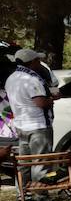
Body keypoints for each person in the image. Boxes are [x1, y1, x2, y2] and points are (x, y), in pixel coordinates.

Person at [4, 48, 55, 184]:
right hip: (38, 126)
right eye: (38, 60)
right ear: (32, 62)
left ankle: (24, 195)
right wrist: (53, 98)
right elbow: (40, 103)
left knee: (24, 164)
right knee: (41, 164)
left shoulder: (11, 78)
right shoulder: (32, 79)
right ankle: (40, 198)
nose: (39, 63)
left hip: (21, 126)